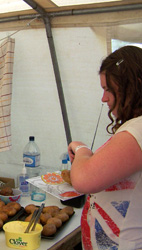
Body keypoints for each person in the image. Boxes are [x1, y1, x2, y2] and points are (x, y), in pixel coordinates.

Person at [68, 46, 142, 250]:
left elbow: (84, 180)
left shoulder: (139, 128)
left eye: (108, 89)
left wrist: (82, 149)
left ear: (134, 86)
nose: (104, 98)